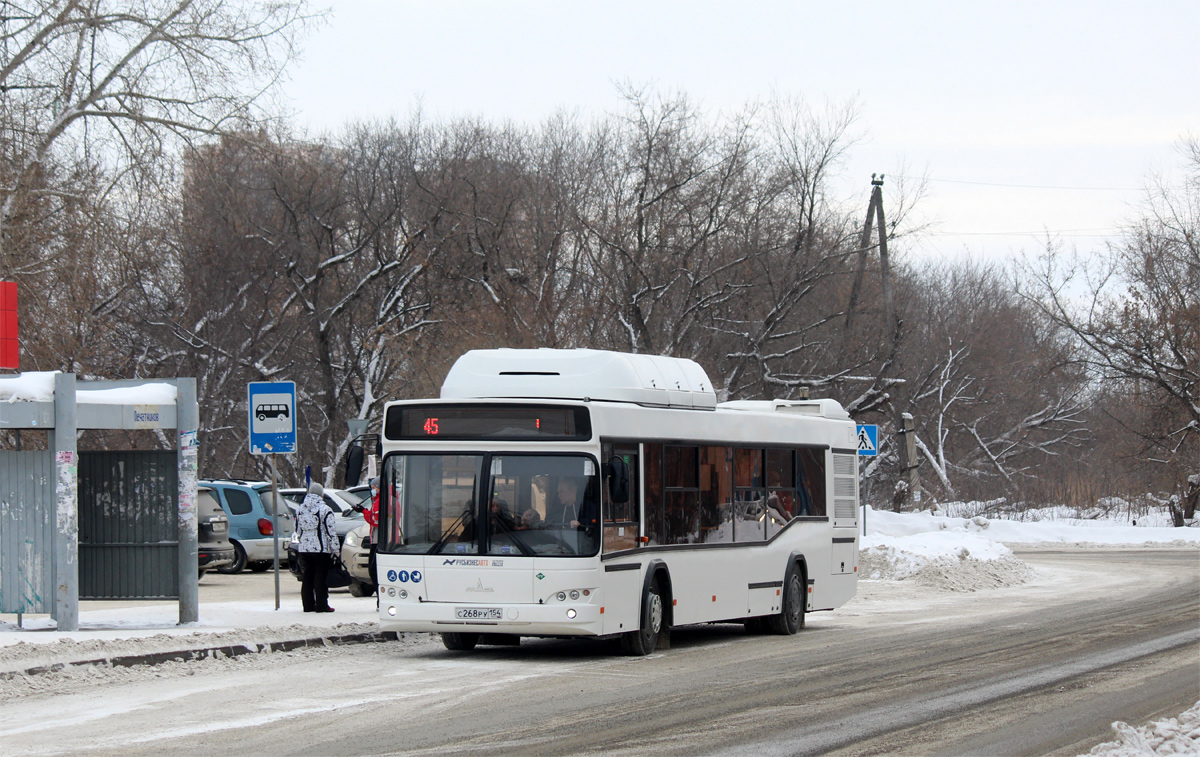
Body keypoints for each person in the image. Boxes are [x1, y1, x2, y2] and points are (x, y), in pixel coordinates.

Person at [295, 481, 339, 613]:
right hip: (321, 549)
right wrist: (335, 549)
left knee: (307, 576)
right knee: (321, 577)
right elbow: (331, 531)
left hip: (304, 548)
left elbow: (297, 530)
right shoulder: (325, 510)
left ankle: (307, 605)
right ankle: (321, 605)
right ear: (321, 494)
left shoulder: (300, 510)